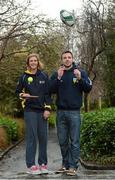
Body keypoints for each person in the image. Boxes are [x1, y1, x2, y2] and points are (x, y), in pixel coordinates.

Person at [49, 50, 92, 176]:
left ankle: (73, 166)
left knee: (74, 141)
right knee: (62, 141)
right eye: (64, 57)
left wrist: (79, 78)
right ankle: (65, 164)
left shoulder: (80, 72)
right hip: (61, 112)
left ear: (72, 59)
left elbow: (88, 88)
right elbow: (50, 90)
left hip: (74, 113)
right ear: (61, 60)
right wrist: (58, 78)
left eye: (69, 57)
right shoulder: (57, 73)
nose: (67, 59)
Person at [16, 53, 52, 175]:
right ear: (28, 63)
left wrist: (47, 109)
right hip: (30, 111)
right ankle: (31, 165)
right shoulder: (23, 77)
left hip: (42, 111)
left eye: (35, 60)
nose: (33, 62)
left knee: (43, 138)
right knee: (31, 138)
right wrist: (22, 95)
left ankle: (43, 164)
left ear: (38, 62)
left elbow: (48, 94)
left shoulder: (44, 75)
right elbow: (18, 92)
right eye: (31, 61)